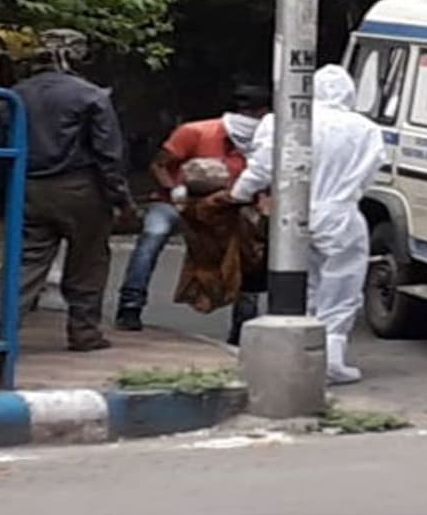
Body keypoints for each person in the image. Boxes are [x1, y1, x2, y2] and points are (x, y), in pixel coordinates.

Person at [222, 65, 385, 384]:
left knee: (303, 282)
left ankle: (303, 352)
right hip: (340, 212)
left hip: (293, 212)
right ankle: (330, 357)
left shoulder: (284, 120)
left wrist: (238, 193)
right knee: (340, 286)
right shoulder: (365, 128)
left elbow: (262, 166)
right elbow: (370, 175)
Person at [0, 29, 134, 352]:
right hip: (82, 190)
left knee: (25, 259)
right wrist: (121, 198)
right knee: (88, 261)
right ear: (76, 55)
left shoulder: (14, 95)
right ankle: (84, 332)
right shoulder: (91, 96)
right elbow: (109, 154)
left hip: (28, 188)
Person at [115, 85, 271, 344]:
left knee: (248, 251)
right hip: (179, 203)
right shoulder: (195, 132)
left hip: (228, 207)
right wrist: (174, 189)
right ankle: (130, 304)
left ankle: (242, 323)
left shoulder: (265, 141)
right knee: (153, 234)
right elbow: (159, 164)